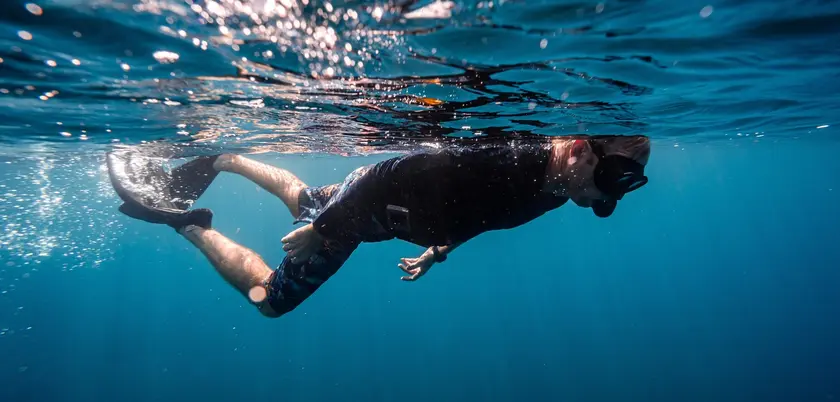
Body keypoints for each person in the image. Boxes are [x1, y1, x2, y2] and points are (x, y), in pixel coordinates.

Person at [106, 135, 651, 318]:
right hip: (365, 207)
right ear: (579, 150)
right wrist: (325, 228)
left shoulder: (554, 191)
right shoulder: (507, 158)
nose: (592, 202)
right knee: (272, 300)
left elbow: (485, 219)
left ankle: (225, 159)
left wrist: (439, 251)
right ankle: (190, 225)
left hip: (371, 212)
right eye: (600, 186)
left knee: (303, 196)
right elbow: (398, 169)